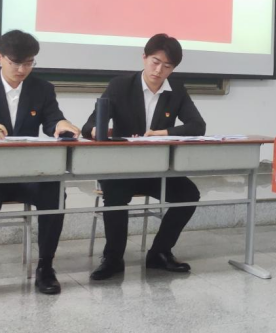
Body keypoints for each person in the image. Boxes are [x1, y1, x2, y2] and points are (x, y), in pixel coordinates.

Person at [0, 30, 80, 299]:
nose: (22, 70)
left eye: (29, 63)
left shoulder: (42, 89)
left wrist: (61, 124)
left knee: (54, 190)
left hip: (26, 173)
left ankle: (46, 266)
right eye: (16, 63)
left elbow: (52, 120)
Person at [82, 34, 206, 280]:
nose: (159, 71)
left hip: (156, 168)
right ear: (144, 58)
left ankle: (159, 253)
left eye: (167, 66)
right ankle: (113, 258)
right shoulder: (120, 86)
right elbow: (89, 125)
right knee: (115, 195)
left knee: (188, 194)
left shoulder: (176, 90)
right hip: (122, 167)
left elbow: (197, 126)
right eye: (155, 62)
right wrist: (96, 130)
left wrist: (164, 133)